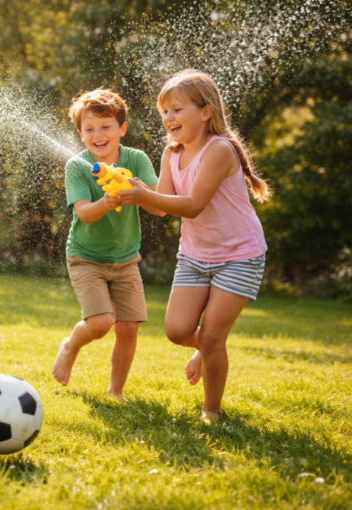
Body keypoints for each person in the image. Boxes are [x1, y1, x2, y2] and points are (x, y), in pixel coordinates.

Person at [117, 69, 270, 421]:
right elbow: (161, 204)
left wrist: (143, 194)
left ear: (205, 112)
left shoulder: (219, 150)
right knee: (177, 330)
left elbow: (193, 204)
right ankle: (207, 348)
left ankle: (212, 410)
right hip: (196, 254)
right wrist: (135, 192)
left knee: (214, 336)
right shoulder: (173, 153)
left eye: (177, 109)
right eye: (164, 112)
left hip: (239, 255)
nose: (169, 117)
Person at [52, 88, 165, 400]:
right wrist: (107, 200)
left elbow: (159, 207)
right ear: (80, 134)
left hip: (126, 258)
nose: (98, 135)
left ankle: (115, 392)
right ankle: (71, 344)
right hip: (86, 257)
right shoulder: (77, 166)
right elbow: (86, 214)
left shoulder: (136, 159)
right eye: (89, 129)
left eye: (106, 127)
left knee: (128, 328)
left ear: (122, 129)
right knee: (101, 323)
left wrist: (140, 190)